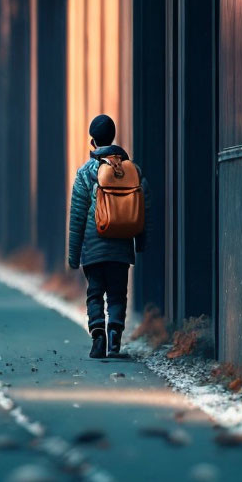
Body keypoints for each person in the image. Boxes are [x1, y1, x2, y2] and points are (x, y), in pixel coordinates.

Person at [68, 114, 150, 358]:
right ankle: (115, 335)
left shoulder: (85, 173)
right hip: (121, 246)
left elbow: (77, 217)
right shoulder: (132, 170)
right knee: (117, 293)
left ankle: (98, 335)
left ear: (93, 141)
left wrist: (73, 255)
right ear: (113, 137)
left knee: (95, 293)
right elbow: (144, 209)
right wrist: (140, 242)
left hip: (92, 248)